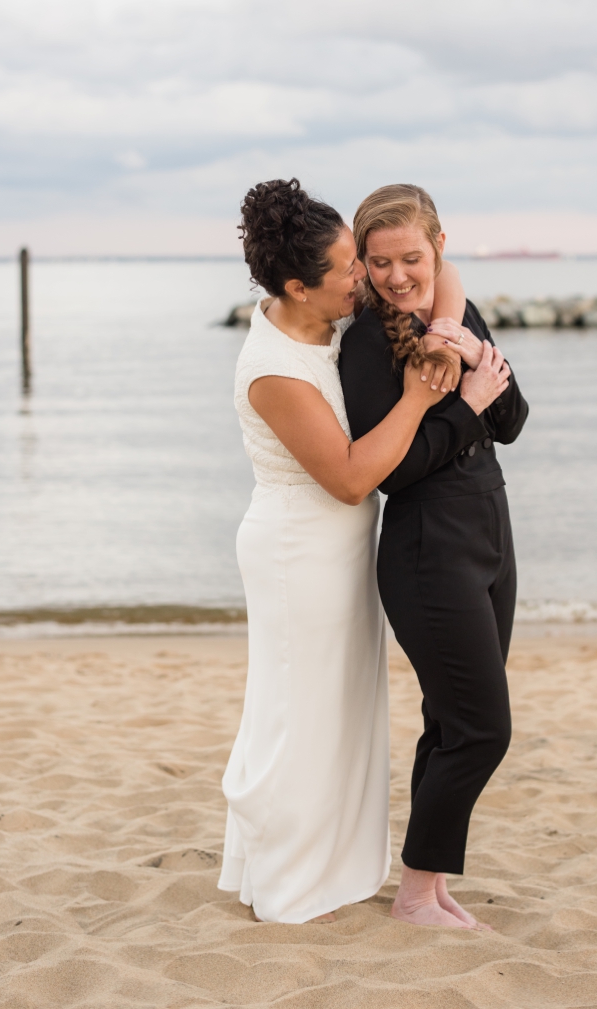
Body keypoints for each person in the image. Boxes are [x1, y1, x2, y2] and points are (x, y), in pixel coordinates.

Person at [220, 178, 460, 924]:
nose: (366, 278)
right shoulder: (274, 371)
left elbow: (444, 271)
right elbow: (353, 478)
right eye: (349, 270)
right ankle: (291, 881)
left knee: (342, 709)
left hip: (342, 552)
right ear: (297, 285)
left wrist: (442, 331)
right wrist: (420, 397)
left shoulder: (325, 319)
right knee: (300, 714)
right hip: (298, 553)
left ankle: (337, 867)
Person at [339, 184, 529, 927]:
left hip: (490, 530)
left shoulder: (456, 315)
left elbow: (513, 417)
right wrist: (467, 402)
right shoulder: (364, 342)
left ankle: (431, 886)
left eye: (410, 257)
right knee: (484, 727)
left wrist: (476, 355)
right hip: (427, 546)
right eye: (379, 261)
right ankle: (416, 891)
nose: (396, 275)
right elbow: (394, 469)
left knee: (452, 722)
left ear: (438, 246)